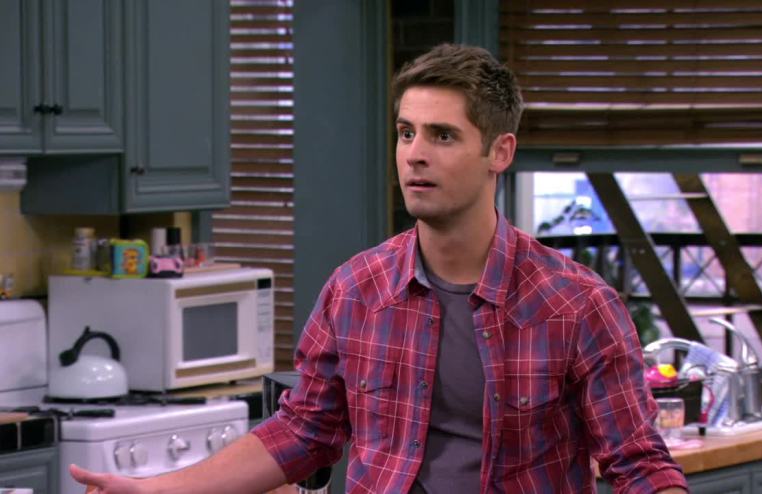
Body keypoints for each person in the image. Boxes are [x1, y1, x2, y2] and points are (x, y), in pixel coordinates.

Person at [70, 43, 688, 493]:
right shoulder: (357, 289)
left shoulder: (575, 303)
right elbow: (304, 431)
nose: (415, 155)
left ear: (499, 152)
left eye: (442, 136)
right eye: (405, 132)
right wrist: (159, 489)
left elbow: (637, 462)